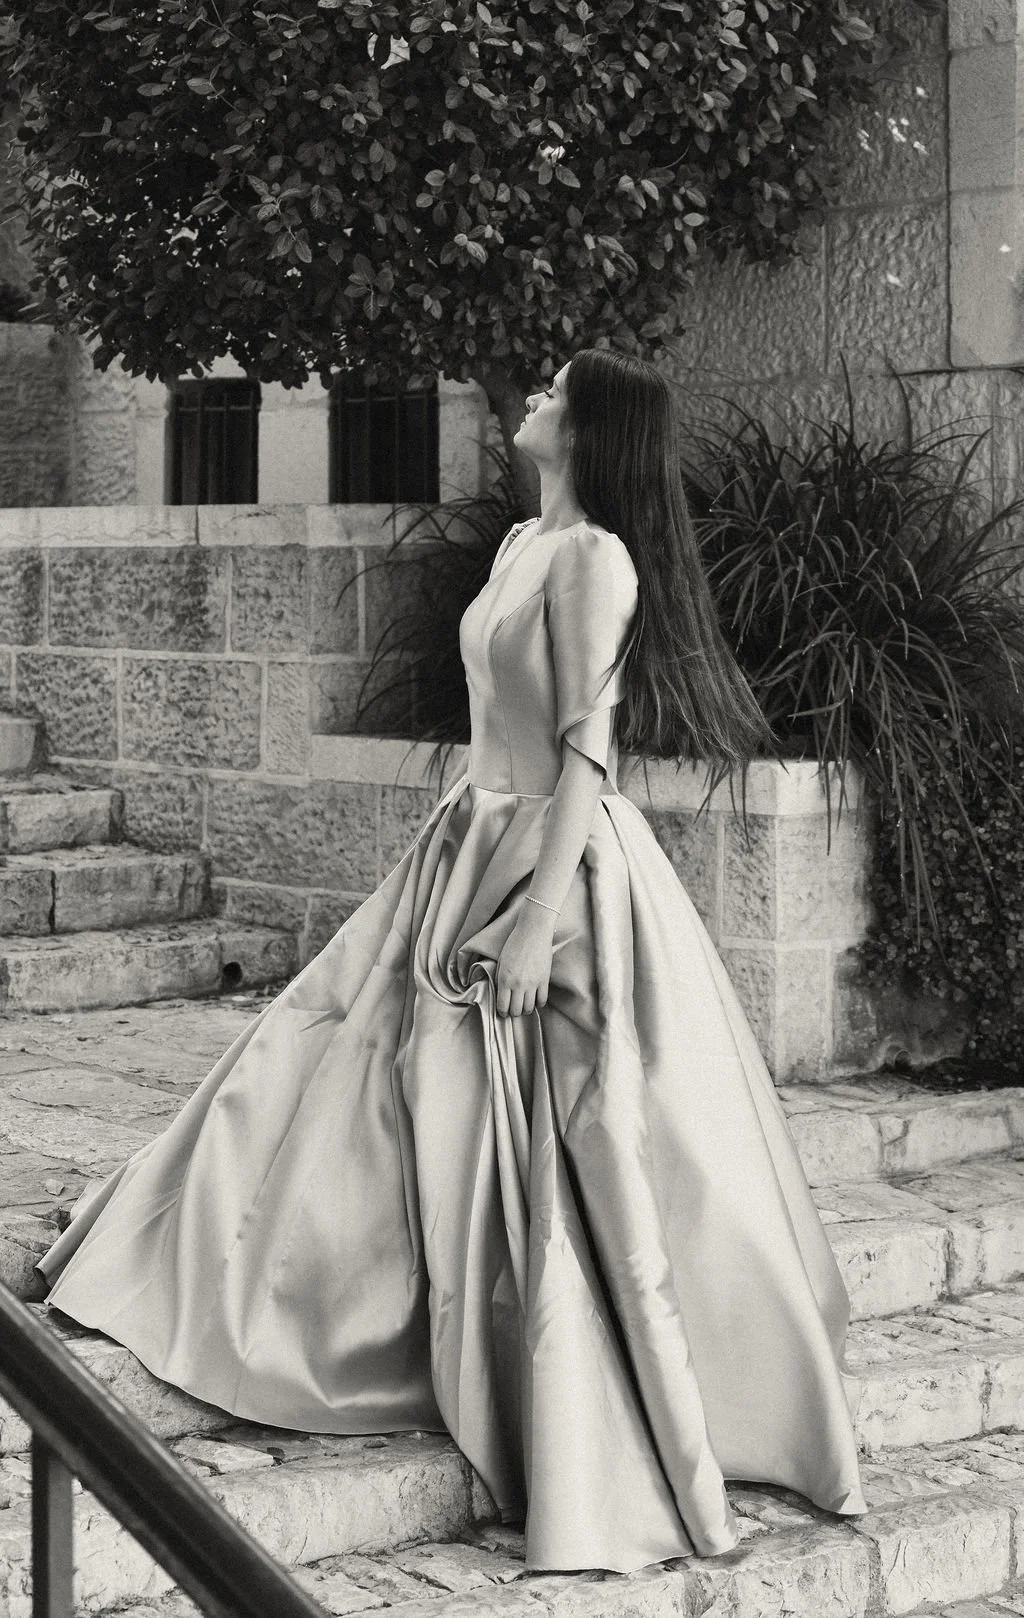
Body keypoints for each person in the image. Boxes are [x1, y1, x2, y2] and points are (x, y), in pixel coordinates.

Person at [39, 348, 867, 1574]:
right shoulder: (526, 545)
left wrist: (538, 920)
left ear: (589, 428)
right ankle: (298, 1278)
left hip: (555, 867)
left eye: (552, 392)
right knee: (341, 1072)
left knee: (561, 1140)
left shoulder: (596, 561)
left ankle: (578, 1395)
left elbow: (590, 753)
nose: (531, 397)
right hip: (468, 841)